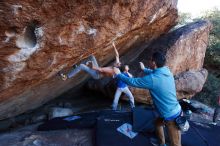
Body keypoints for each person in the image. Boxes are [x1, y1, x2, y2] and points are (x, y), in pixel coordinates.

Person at [114, 52, 182, 146]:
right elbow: (155, 72)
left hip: (171, 115)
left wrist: (119, 75)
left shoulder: (153, 79)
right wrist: (144, 69)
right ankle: (162, 144)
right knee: (157, 124)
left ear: (154, 63)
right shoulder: (167, 71)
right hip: (168, 110)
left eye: (150, 60)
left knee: (176, 144)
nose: (149, 61)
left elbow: (134, 82)